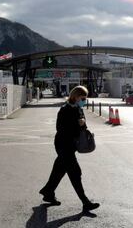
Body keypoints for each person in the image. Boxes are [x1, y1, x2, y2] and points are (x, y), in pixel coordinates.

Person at [39, 85, 100, 213]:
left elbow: (83, 127)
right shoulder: (64, 110)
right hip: (63, 145)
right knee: (75, 172)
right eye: (83, 98)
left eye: (86, 98)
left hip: (71, 146)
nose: (85, 100)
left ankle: (48, 192)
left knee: (59, 170)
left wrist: (82, 125)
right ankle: (85, 202)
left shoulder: (78, 109)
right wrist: (77, 125)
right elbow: (61, 129)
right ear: (76, 96)